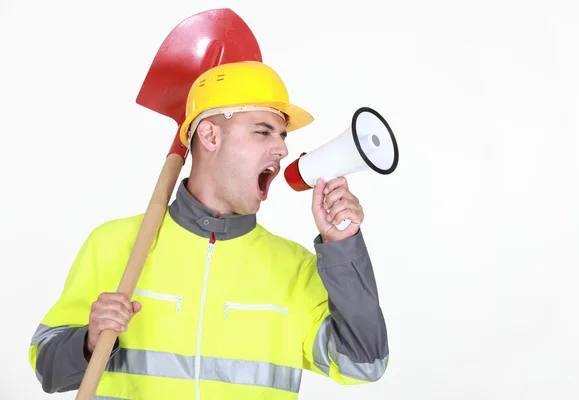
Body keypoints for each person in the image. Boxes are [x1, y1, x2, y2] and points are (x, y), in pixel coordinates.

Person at [28, 60, 389, 399]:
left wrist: (343, 248)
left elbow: (364, 365)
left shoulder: (294, 268)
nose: (281, 149)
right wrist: (89, 342)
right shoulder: (113, 245)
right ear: (210, 136)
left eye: (282, 137)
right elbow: (49, 370)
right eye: (263, 132)